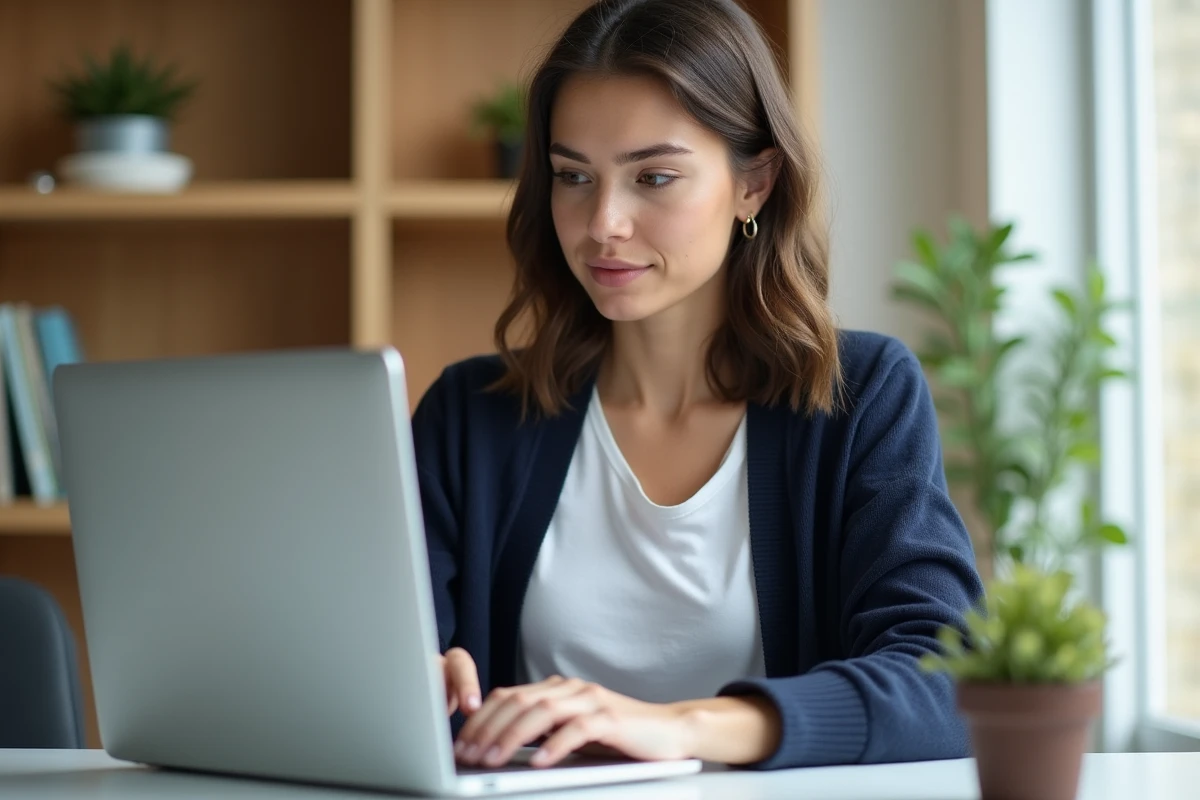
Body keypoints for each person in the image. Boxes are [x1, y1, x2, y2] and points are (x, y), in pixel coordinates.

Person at [411, 0, 984, 773]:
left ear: (755, 184)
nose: (603, 222)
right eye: (573, 176)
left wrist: (679, 727)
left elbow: (947, 678)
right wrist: (414, 684)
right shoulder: (468, 419)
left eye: (654, 176)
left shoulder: (861, 398)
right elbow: (389, 672)